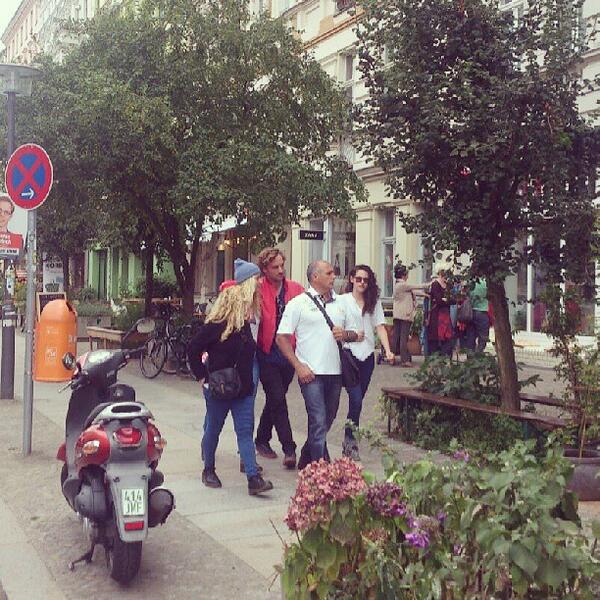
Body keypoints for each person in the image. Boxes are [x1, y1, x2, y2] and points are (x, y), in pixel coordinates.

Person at [188, 259, 273, 496]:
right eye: (255, 282)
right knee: (213, 429)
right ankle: (208, 469)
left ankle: (253, 479)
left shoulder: (244, 323)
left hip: (242, 389)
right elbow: (193, 348)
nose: (259, 286)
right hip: (219, 388)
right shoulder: (218, 323)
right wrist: (201, 377)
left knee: (244, 432)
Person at [276, 260, 359, 469]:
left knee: (327, 419)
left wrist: (345, 334)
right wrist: (298, 366)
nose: (334, 276)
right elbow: (281, 337)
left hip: (335, 372)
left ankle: (307, 456)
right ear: (315, 277)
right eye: (329, 273)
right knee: (318, 419)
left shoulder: (341, 303)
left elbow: (358, 334)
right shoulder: (299, 303)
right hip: (310, 373)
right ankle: (319, 469)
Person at [254, 247, 305, 468]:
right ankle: (289, 448)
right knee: (278, 398)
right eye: (275, 267)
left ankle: (262, 439)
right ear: (265, 269)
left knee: (276, 398)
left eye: (282, 265)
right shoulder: (257, 289)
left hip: (289, 353)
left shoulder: (295, 289)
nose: (281, 270)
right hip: (266, 353)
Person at [339, 265, 394, 461]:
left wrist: (387, 350)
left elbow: (380, 327)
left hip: (367, 356)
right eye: (359, 279)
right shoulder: (342, 301)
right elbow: (336, 328)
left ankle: (349, 440)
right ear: (352, 279)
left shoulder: (373, 302)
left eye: (366, 280)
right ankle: (350, 442)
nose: (362, 283)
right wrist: (351, 335)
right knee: (355, 399)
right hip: (349, 355)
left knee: (358, 401)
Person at [392, 264, 429, 367]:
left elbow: (413, 291)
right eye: (407, 274)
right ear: (404, 275)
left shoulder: (399, 285)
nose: (408, 276)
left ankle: (391, 356)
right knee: (403, 338)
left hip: (398, 314)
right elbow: (415, 287)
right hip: (405, 315)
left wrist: (425, 295)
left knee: (396, 337)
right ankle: (404, 360)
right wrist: (430, 284)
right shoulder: (402, 285)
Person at [426, 264, 454, 357]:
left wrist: (445, 300)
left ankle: (446, 358)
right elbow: (438, 301)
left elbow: (453, 300)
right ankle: (434, 359)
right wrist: (445, 300)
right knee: (435, 338)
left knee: (448, 337)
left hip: (446, 315)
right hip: (436, 316)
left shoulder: (448, 285)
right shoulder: (435, 284)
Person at [464, 278, 490, 353]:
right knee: (483, 337)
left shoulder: (471, 283)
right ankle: (479, 354)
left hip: (471, 313)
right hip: (482, 312)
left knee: (470, 336)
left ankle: (470, 354)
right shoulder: (486, 283)